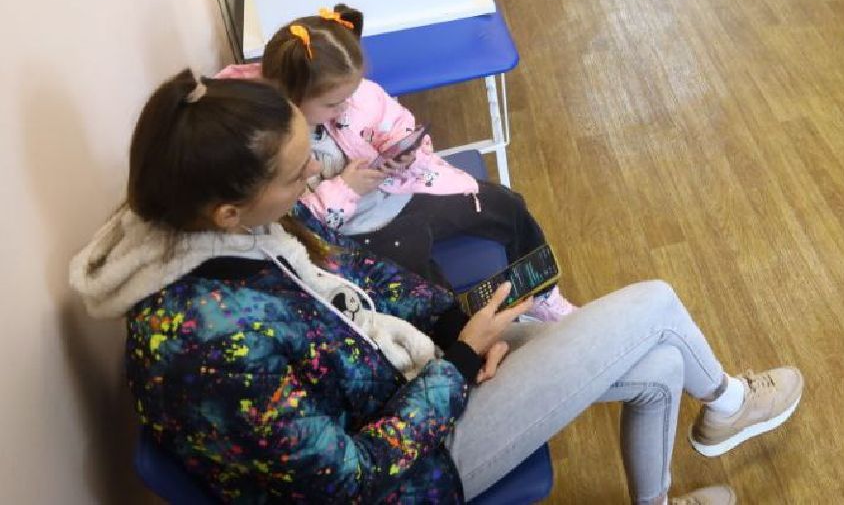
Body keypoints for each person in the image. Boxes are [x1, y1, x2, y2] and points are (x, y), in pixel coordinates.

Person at [69, 70, 804, 504]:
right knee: (655, 304)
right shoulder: (209, 343)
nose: (318, 173)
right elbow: (351, 483)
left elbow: (358, 282)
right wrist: (457, 361)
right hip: (407, 475)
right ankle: (728, 405)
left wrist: (458, 319)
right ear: (228, 210)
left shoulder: (237, 231)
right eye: (298, 173)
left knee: (662, 362)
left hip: (404, 379)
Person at [218, 5, 576, 321]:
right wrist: (346, 189)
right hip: (360, 234)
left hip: (405, 190)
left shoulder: (355, 94)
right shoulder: (275, 146)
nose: (345, 107)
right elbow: (298, 226)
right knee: (433, 301)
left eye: (351, 94)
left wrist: (403, 151)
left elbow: (396, 121)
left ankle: (540, 293)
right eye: (332, 104)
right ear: (291, 95)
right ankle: (476, 341)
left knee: (507, 205)